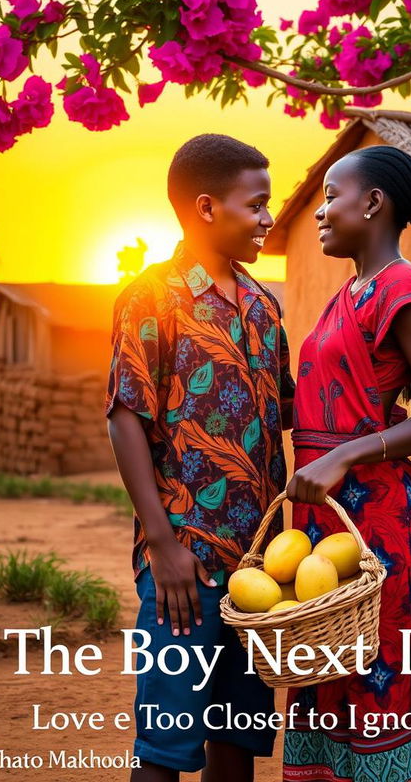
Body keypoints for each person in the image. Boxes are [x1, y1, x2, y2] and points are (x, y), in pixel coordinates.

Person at [106, 134, 295, 782]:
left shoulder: (267, 308)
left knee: (235, 740)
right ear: (208, 207)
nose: (271, 217)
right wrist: (162, 544)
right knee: (166, 748)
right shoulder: (151, 296)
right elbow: (127, 415)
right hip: (185, 561)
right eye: (258, 203)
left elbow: (285, 418)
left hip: (259, 565)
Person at [283, 146, 411, 782]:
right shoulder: (351, 293)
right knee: (333, 673)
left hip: (383, 527)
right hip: (334, 522)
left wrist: (343, 454)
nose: (320, 214)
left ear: (372, 203)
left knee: (379, 678)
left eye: (332, 196)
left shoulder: (401, 288)